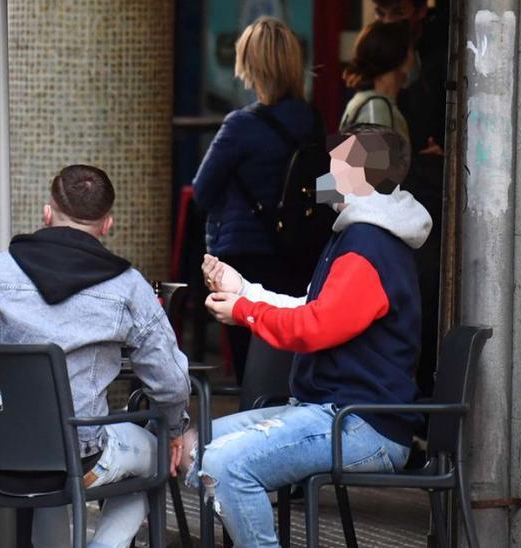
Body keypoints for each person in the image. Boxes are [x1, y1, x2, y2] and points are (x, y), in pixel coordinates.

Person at [188, 124, 430, 547]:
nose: (324, 177)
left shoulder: (366, 246)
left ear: (358, 176)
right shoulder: (360, 234)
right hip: (337, 414)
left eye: (334, 166)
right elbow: (312, 309)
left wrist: (245, 309)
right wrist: (244, 291)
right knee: (195, 449)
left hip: (358, 425)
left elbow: (314, 329)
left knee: (224, 463)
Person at [0, 165, 192, 548]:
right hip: (82, 457)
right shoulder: (127, 287)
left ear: (47, 213)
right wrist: (174, 431)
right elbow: (170, 383)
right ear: (107, 224)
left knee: (57, 449)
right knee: (160, 458)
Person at [190, 17, 321, 384]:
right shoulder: (311, 121)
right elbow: (324, 186)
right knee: (290, 355)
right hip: (299, 252)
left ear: (250, 65)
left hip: (245, 255)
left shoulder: (240, 125)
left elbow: (202, 191)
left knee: (251, 362)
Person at [373, 0, 450, 399]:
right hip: (376, 231)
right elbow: (340, 182)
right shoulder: (375, 107)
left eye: (396, 12)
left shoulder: (381, 104)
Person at [340, 21, 415, 145]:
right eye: (411, 50)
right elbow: (376, 163)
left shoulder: (367, 101)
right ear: (399, 57)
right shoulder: (376, 108)